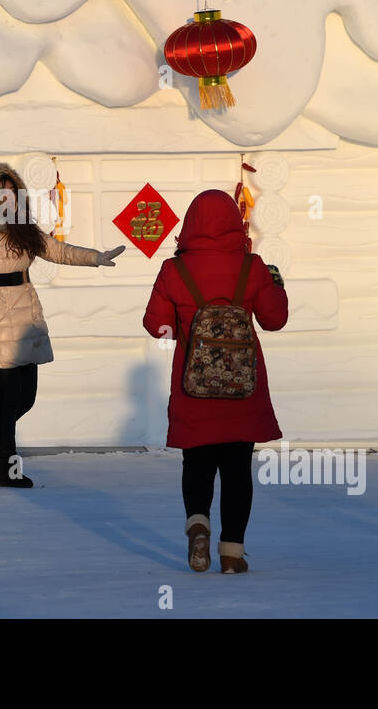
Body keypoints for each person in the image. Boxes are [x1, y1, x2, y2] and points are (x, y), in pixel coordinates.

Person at [0, 162, 126, 488]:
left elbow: (59, 251)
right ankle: (8, 470)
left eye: (12, 193)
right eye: (1, 193)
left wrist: (96, 257)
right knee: (7, 397)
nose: (8, 199)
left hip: (24, 322)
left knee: (25, 399)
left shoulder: (24, 232)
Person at [142, 189, 288, 572]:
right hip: (243, 390)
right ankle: (232, 555)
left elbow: (155, 326)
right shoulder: (252, 267)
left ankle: (198, 525)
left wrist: (187, 330)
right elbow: (274, 320)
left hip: (195, 389)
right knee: (237, 471)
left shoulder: (174, 271)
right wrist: (276, 285)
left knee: (198, 463)